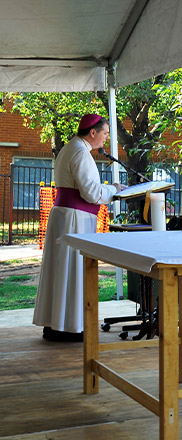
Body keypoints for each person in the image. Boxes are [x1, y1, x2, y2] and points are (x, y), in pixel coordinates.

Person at [33, 114, 123, 342]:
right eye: (105, 133)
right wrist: (114, 190)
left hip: (65, 217)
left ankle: (55, 324)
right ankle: (69, 327)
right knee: (72, 271)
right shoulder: (81, 152)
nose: (106, 138)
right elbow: (91, 193)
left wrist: (108, 188)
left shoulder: (70, 148)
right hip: (75, 219)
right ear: (92, 133)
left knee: (60, 271)